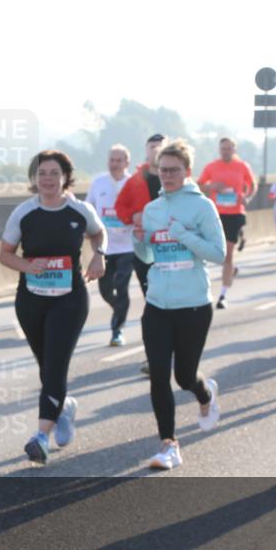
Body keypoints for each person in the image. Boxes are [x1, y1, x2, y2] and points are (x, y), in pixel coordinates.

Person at [0, 150, 106, 465]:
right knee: (47, 365)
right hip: (31, 298)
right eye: (42, 173)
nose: (47, 179)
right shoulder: (24, 213)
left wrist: (99, 254)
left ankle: (40, 436)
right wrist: (28, 266)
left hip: (69, 298)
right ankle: (64, 408)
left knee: (56, 364)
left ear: (65, 178)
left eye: (54, 173)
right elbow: (5, 254)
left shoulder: (79, 209)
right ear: (35, 179)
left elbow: (99, 233)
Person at [132, 140, 224, 470]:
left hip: (194, 304)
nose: (167, 175)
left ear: (187, 172)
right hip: (157, 304)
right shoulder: (153, 209)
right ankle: (169, 444)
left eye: (174, 170)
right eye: (162, 169)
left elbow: (218, 253)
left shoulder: (202, 207)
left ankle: (205, 394)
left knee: (184, 377)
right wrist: (139, 239)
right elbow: (146, 257)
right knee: (158, 375)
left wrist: (184, 235)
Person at [114, 133, 167, 375]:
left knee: (173, 302)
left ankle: (175, 348)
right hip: (145, 250)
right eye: (152, 146)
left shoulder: (177, 178)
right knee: (152, 303)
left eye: (160, 146)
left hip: (172, 250)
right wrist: (132, 216)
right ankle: (154, 356)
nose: (156, 150)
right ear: (146, 150)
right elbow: (120, 207)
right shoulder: (136, 180)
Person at [197, 137, 257, 309]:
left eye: (229, 148)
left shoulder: (242, 166)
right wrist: (212, 186)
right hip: (215, 213)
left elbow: (252, 184)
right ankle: (231, 269)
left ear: (234, 149)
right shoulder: (212, 166)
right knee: (215, 252)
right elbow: (199, 185)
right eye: (223, 148)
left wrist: (248, 197)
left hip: (234, 214)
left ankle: (222, 295)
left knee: (227, 254)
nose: (226, 151)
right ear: (219, 149)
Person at [85, 144, 132, 346]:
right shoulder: (98, 183)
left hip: (128, 246)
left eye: (118, 160)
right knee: (105, 290)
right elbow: (89, 209)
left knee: (121, 286)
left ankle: (117, 330)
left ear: (126, 163)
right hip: (104, 247)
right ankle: (120, 309)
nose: (114, 164)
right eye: (112, 160)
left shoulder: (133, 183)